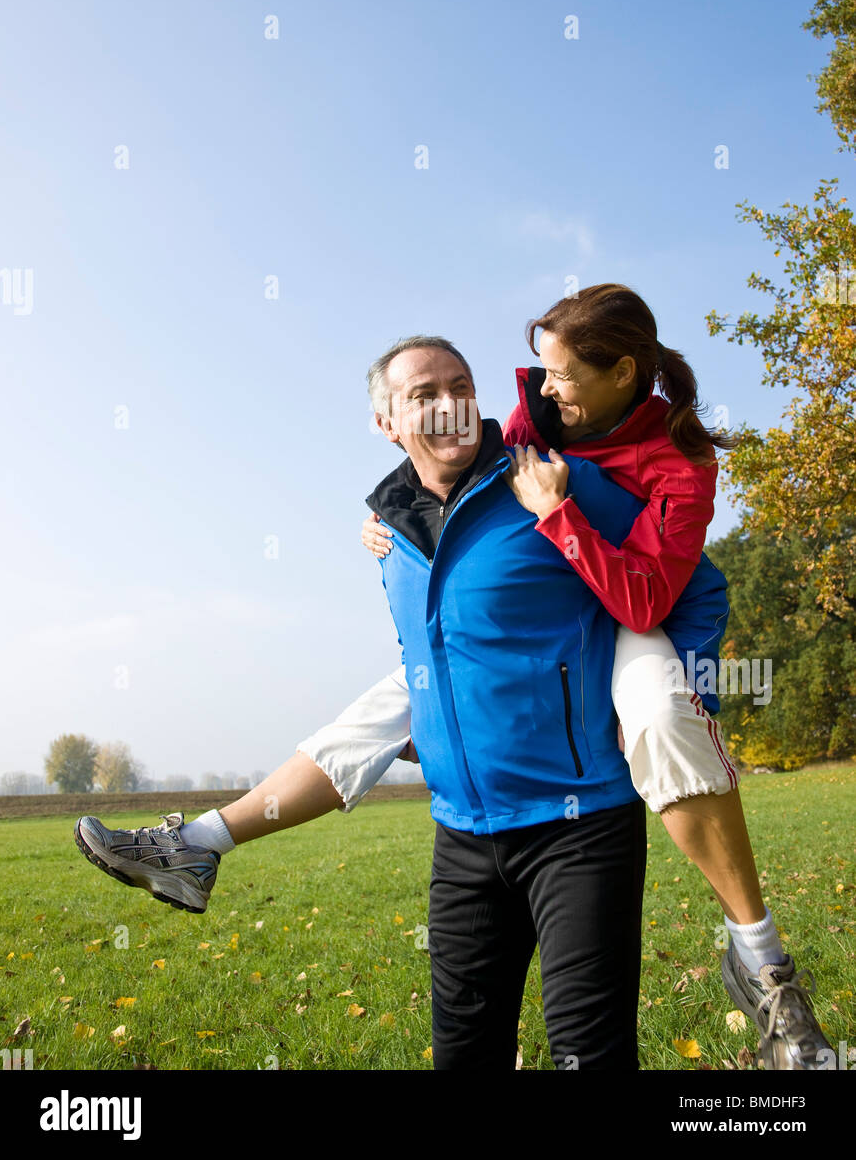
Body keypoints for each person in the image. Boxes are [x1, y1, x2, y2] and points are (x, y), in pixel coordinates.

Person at [75, 289, 831, 1070]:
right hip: (466, 832)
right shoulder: (399, 528)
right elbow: (428, 659)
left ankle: (762, 959)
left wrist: (573, 536)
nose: (453, 405)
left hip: (609, 738)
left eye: (461, 388)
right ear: (386, 426)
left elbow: (672, 586)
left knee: (656, 723)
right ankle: (200, 844)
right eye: (423, 396)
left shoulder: (564, 476)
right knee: (374, 717)